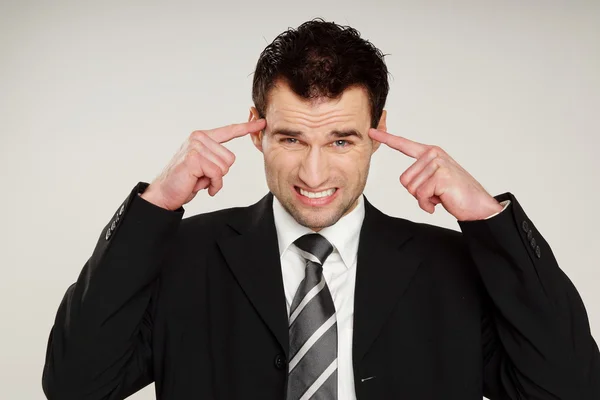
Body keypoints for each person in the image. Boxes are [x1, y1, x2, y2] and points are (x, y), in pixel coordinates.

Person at [42, 18, 599, 400]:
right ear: (256, 131)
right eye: (290, 140)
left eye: (340, 141)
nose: (313, 175)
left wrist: (488, 219)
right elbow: (75, 385)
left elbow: (569, 387)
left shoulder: (450, 266)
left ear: (378, 132)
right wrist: (156, 204)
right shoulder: (182, 254)